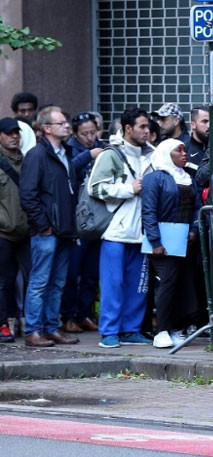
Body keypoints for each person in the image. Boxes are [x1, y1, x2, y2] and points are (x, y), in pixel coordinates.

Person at [89, 106, 154, 348]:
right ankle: (109, 332)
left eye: (148, 126)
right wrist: (129, 189)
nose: (147, 131)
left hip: (141, 232)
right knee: (113, 284)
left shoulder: (152, 153)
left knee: (138, 287)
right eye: (142, 127)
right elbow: (95, 187)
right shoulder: (111, 154)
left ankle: (130, 330)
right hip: (115, 232)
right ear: (128, 129)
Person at [19, 106, 79, 347]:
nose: (67, 126)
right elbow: (28, 195)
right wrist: (43, 225)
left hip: (64, 230)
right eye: (61, 123)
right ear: (46, 128)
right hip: (47, 232)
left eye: (66, 122)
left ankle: (51, 328)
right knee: (40, 282)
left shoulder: (66, 153)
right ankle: (33, 330)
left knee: (57, 283)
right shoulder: (37, 155)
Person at [141, 139, 201, 349]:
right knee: (167, 283)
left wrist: (194, 230)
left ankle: (178, 327)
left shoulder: (188, 178)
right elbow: (148, 211)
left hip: (184, 240)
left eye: (185, 150)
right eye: (179, 150)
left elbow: (197, 207)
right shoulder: (154, 178)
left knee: (184, 283)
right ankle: (162, 330)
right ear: (167, 154)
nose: (185, 154)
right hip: (163, 241)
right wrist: (155, 241)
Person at [60, 112, 104, 334]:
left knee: (91, 272)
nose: (89, 137)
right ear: (75, 134)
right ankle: (68, 316)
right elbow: (66, 172)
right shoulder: (69, 151)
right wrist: (88, 155)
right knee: (72, 273)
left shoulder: (102, 148)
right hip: (77, 219)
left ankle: (85, 313)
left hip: (99, 218)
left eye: (92, 132)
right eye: (84, 134)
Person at [0, 118, 30, 343]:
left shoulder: (28, 161)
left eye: (16, 133)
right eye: (9, 133)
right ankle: (4, 323)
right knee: (5, 281)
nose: (14, 137)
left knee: (33, 278)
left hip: (27, 232)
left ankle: (29, 322)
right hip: (3, 232)